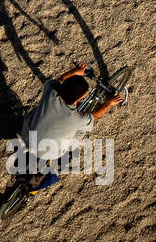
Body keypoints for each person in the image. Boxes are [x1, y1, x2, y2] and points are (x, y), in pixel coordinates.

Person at [9, 60, 124, 195]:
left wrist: (74, 72)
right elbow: (95, 116)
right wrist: (109, 103)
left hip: (27, 134)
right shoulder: (77, 119)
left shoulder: (50, 92)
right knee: (78, 136)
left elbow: (60, 79)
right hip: (48, 151)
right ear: (80, 98)